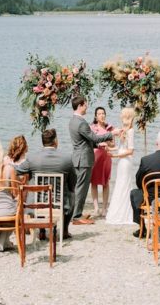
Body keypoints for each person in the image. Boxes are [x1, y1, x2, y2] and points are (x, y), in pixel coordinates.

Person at [15, 128, 76, 239]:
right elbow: (73, 182)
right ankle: (64, 230)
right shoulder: (67, 159)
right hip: (59, 203)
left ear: (43, 142)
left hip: (37, 203)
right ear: (55, 141)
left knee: (33, 181)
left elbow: (16, 171)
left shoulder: (33, 158)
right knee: (72, 193)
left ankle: (42, 230)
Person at [69, 96, 114, 225]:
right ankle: (77, 216)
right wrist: (112, 134)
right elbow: (94, 138)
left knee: (80, 187)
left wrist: (98, 145)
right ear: (80, 106)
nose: (86, 107)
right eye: (85, 105)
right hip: (84, 159)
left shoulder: (73, 121)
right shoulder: (81, 122)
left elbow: (86, 141)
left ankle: (77, 212)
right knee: (82, 188)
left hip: (79, 157)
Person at [129, 130, 160, 238]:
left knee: (134, 193)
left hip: (150, 198)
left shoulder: (146, 160)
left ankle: (142, 228)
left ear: (156, 143)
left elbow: (139, 182)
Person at [105, 107, 136, 225]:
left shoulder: (131, 131)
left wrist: (115, 156)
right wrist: (110, 149)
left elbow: (130, 150)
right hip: (122, 161)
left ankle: (125, 213)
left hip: (126, 161)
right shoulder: (124, 130)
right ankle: (119, 211)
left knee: (124, 184)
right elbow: (120, 147)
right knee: (120, 184)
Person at [90, 107, 114, 217]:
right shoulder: (92, 128)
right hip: (95, 156)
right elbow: (91, 142)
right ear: (96, 116)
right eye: (99, 113)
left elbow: (113, 144)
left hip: (106, 157)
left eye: (103, 113)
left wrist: (107, 144)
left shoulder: (110, 128)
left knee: (106, 182)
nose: (102, 115)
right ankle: (96, 208)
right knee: (94, 182)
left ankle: (104, 208)